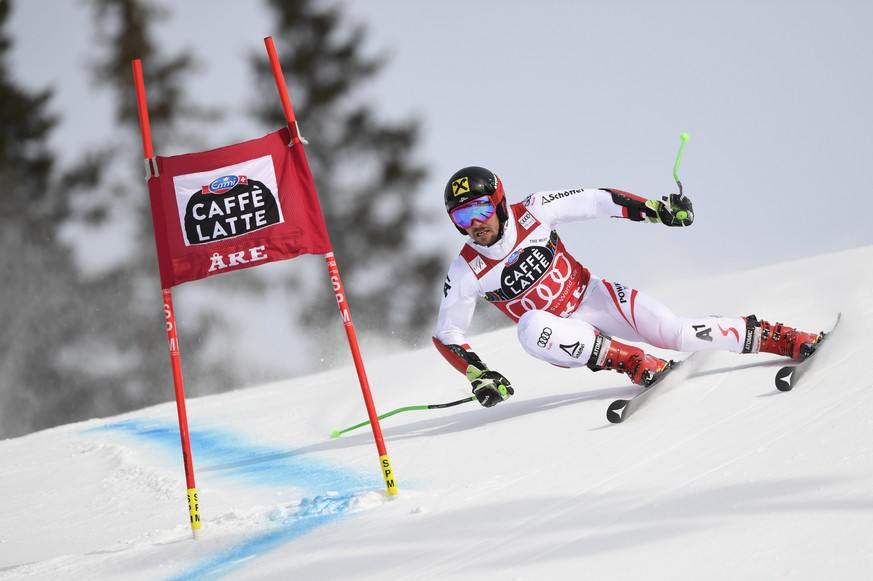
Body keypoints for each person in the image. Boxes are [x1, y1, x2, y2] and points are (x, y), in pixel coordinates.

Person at [433, 166, 823, 408]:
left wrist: (654, 210)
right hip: (561, 336)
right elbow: (447, 332)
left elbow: (598, 201)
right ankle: (637, 363)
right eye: (462, 216)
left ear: (499, 203)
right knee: (530, 325)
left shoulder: (534, 209)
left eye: (481, 208)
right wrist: (478, 374)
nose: (474, 223)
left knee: (677, 332)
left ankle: (786, 338)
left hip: (594, 296)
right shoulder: (466, 269)